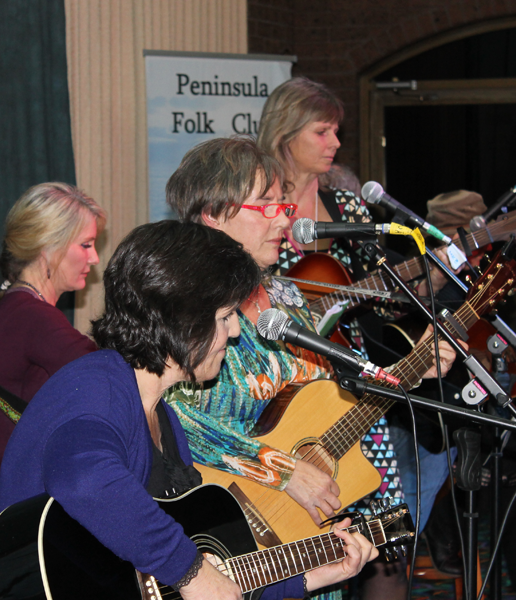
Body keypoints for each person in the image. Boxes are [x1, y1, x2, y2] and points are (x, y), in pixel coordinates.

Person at [0, 221, 378, 600]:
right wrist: (190, 570)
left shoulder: (166, 420)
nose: (235, 332)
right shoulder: (97, 388)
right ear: (181, 320)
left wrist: (307, 577)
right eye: (225, 317)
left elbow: (216, 574)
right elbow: (83, 480)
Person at [163, 136, 458, 600]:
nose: (286, 218)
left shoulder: (287, 297)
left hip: (306, 535)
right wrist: (283, 472)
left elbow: (319, 409)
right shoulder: (180, 310)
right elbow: (168, 417)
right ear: (213, 215)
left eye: (284, 204)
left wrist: (409, 373)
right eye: (268, 205)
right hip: (224, 548)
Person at [0, 182, 105, 594]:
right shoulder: (31, 316)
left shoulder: (10, 306)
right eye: (85, 245)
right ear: (49, 247)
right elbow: (111, 377)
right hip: (24, 531)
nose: (95, 258)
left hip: (10, 523)